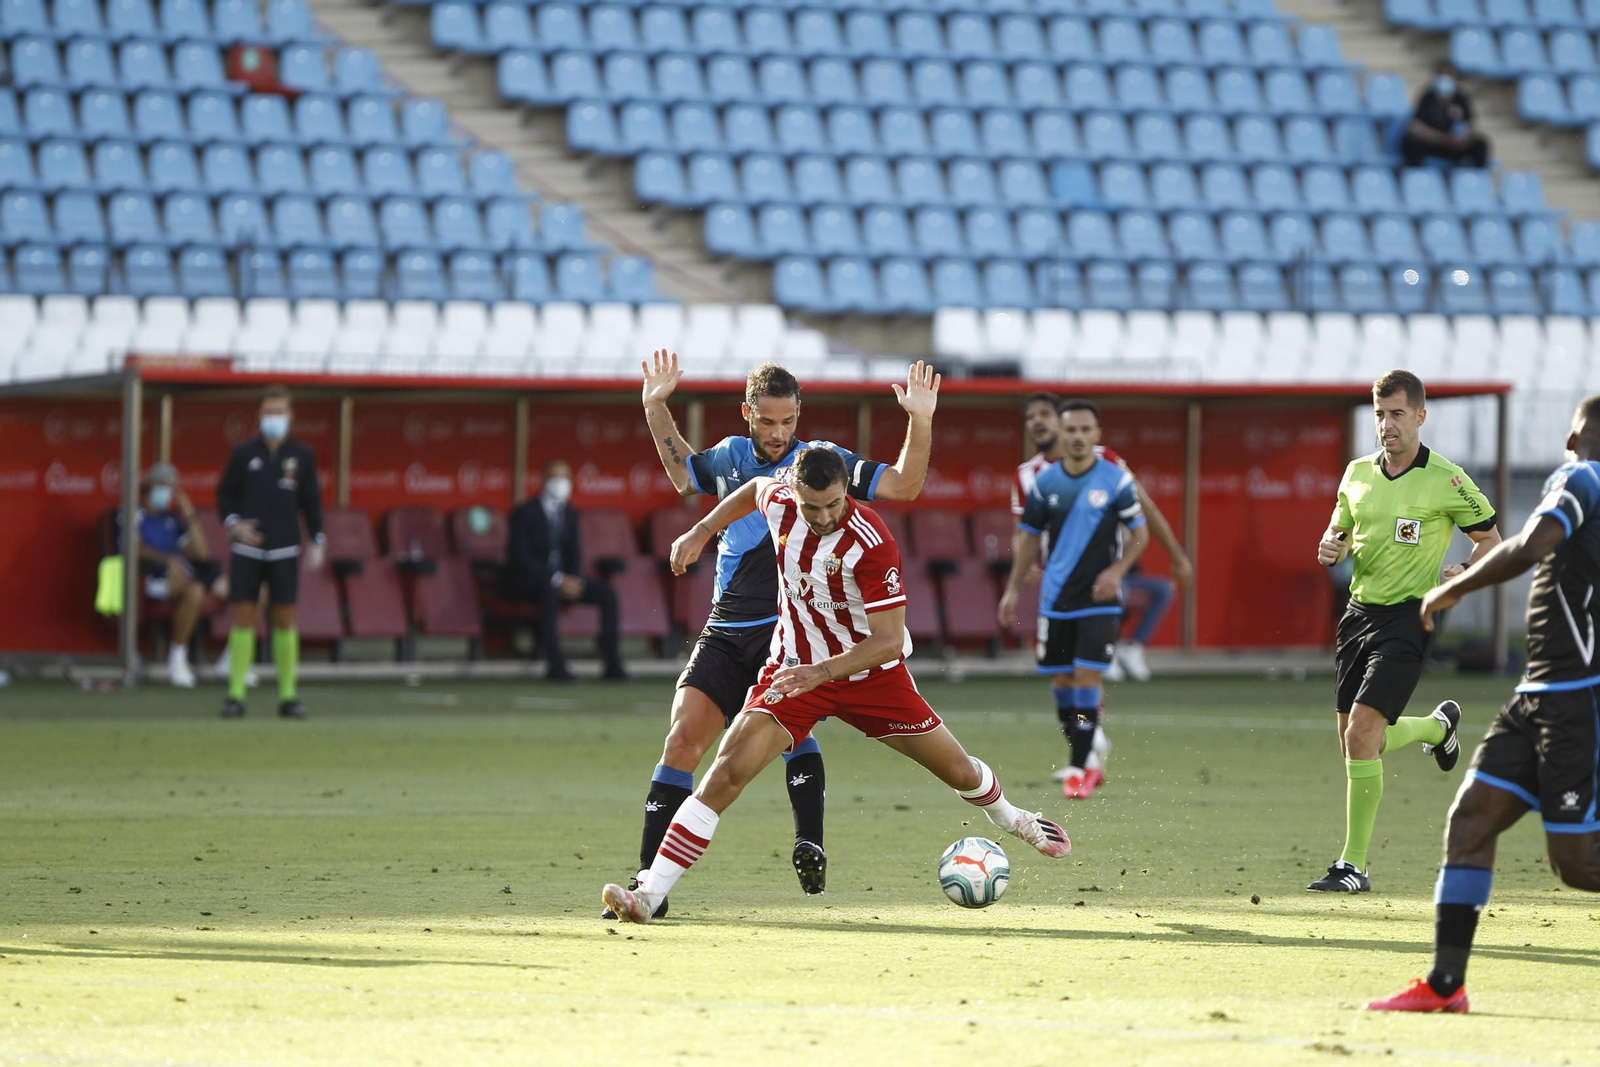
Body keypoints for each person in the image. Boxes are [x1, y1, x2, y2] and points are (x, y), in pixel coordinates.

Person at [601, 447, 1072, 924]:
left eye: (833, 504)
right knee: (725, 774)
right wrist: (701, 530)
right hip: (795, 668)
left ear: (846, 490)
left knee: (960, 772)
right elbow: (754, 488)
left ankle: (1012, 818)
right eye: (812, 506)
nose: (824, 516)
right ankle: (649, 894)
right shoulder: (780, 502)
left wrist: (823, 671)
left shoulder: (871, 542)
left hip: (872, 677)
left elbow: (888, 641)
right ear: (795, 494)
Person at [607, 353, 938, 920]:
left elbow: (904, 485)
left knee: (789, 730)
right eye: (766, 421)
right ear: (747, 414)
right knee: (682, 740)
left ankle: (810, 841)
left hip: (792, 630)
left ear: (799, 414)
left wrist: (920, 419)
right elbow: (685, 476)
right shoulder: (731, 457)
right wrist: (654, 405)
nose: (778, 433)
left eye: (788, 421)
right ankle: (646, 886)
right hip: (726, 624)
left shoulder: (821, 464)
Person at [1368, 395, 1600, 1014]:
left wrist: (1455, 588)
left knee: (1577, 865)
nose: (1568, 445)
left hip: (1576, 699)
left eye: (1574, 435)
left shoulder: (1583, 477)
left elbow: (1529, 545)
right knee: (1470, 820)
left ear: (1579, 439)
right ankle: (1446, 985)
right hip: (1537, 694)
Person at [1309, 370, 1501, 893]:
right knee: (1355, 744)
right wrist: (1331, 547)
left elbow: (1492, 540)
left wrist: (1465, 570)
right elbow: (1339, 532)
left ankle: (1353, 866)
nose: (1387, 425)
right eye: (1379, 414)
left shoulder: (1447, 478)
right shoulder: (1356, 473)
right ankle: (1437, 729)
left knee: (1362, 737)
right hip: (1358, 615)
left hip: (1412, 617)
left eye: (1397, 414)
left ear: (1420, 415)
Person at [999, 399, 1150, 800]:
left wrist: (1117, 571)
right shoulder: (1045, 484)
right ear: (1061, 434)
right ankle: (1087, 758)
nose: (1078, 437)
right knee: (1062, 682)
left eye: (1086, 430)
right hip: (1055, 598)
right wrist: (1013, 588)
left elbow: (1139, 534)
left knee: (1086, 678)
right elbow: (1029, 539)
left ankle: (1079, 767)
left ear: (1097, 434)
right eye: (1071, 430)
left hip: (1099, 598)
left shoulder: (1115, 480)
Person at [215, 386, 325, 720]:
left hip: (285, 548)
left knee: (285, 619)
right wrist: (234, 525)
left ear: (290, 415)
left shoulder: (302, 455)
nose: (274, 418)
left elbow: (311, 500)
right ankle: (235, 695)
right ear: (259, 415)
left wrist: (318, 539)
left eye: (279, 412)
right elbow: (225, 496)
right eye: (269, 412)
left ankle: (288, 696)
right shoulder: (243, 453)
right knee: (243, 617)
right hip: (247, 548)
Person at [504, 459, 626, 682]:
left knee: (608, 594)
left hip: (564, 580)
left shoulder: (570, 513)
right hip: (530, 583)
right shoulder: (524, 513)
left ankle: (613, 664)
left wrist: (574, 579)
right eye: (555, 477)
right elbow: (519, 558)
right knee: (549, 593)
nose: (561, 482)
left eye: (565, 477)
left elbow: (574, 553)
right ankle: (556, 666)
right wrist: (556, 579)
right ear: (543, 480)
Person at [117, 462, 226, 688]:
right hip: (147, 578)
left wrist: (190, 514)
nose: (167, 493)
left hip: (178, 577)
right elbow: (132, 546)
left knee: (228, 588)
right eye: (163, 486)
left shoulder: (171, 519)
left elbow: (201, 552)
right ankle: (177, 660)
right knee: (195, 589)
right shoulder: (132, 514)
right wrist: (167, 560)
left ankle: (223, 658)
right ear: (150, 486)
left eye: (171, 488)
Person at [1401, 60, 1491, 169]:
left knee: (1480, 143)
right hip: (1434, 143)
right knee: (1412, 142)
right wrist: (1442, 138)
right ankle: (1416, 174)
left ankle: (1477, 175)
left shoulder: (1461, 97)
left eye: (1449, 74)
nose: (1446, 78)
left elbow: (1471, 123)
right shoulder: (1427, 97)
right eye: (1442, 74)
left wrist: (1465, 137)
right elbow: (1416, 126)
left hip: (1456, 145)